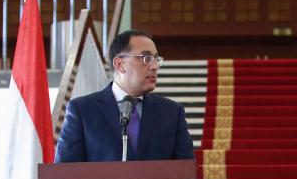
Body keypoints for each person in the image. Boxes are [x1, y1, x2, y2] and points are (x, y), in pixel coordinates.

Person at [55, 30, 194, 163]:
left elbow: (186, 171)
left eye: (156, 59)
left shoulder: (171, 113)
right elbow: (65, 173)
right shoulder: (82, 111)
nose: (155, 66)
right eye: (146, 58)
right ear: (120, 64)